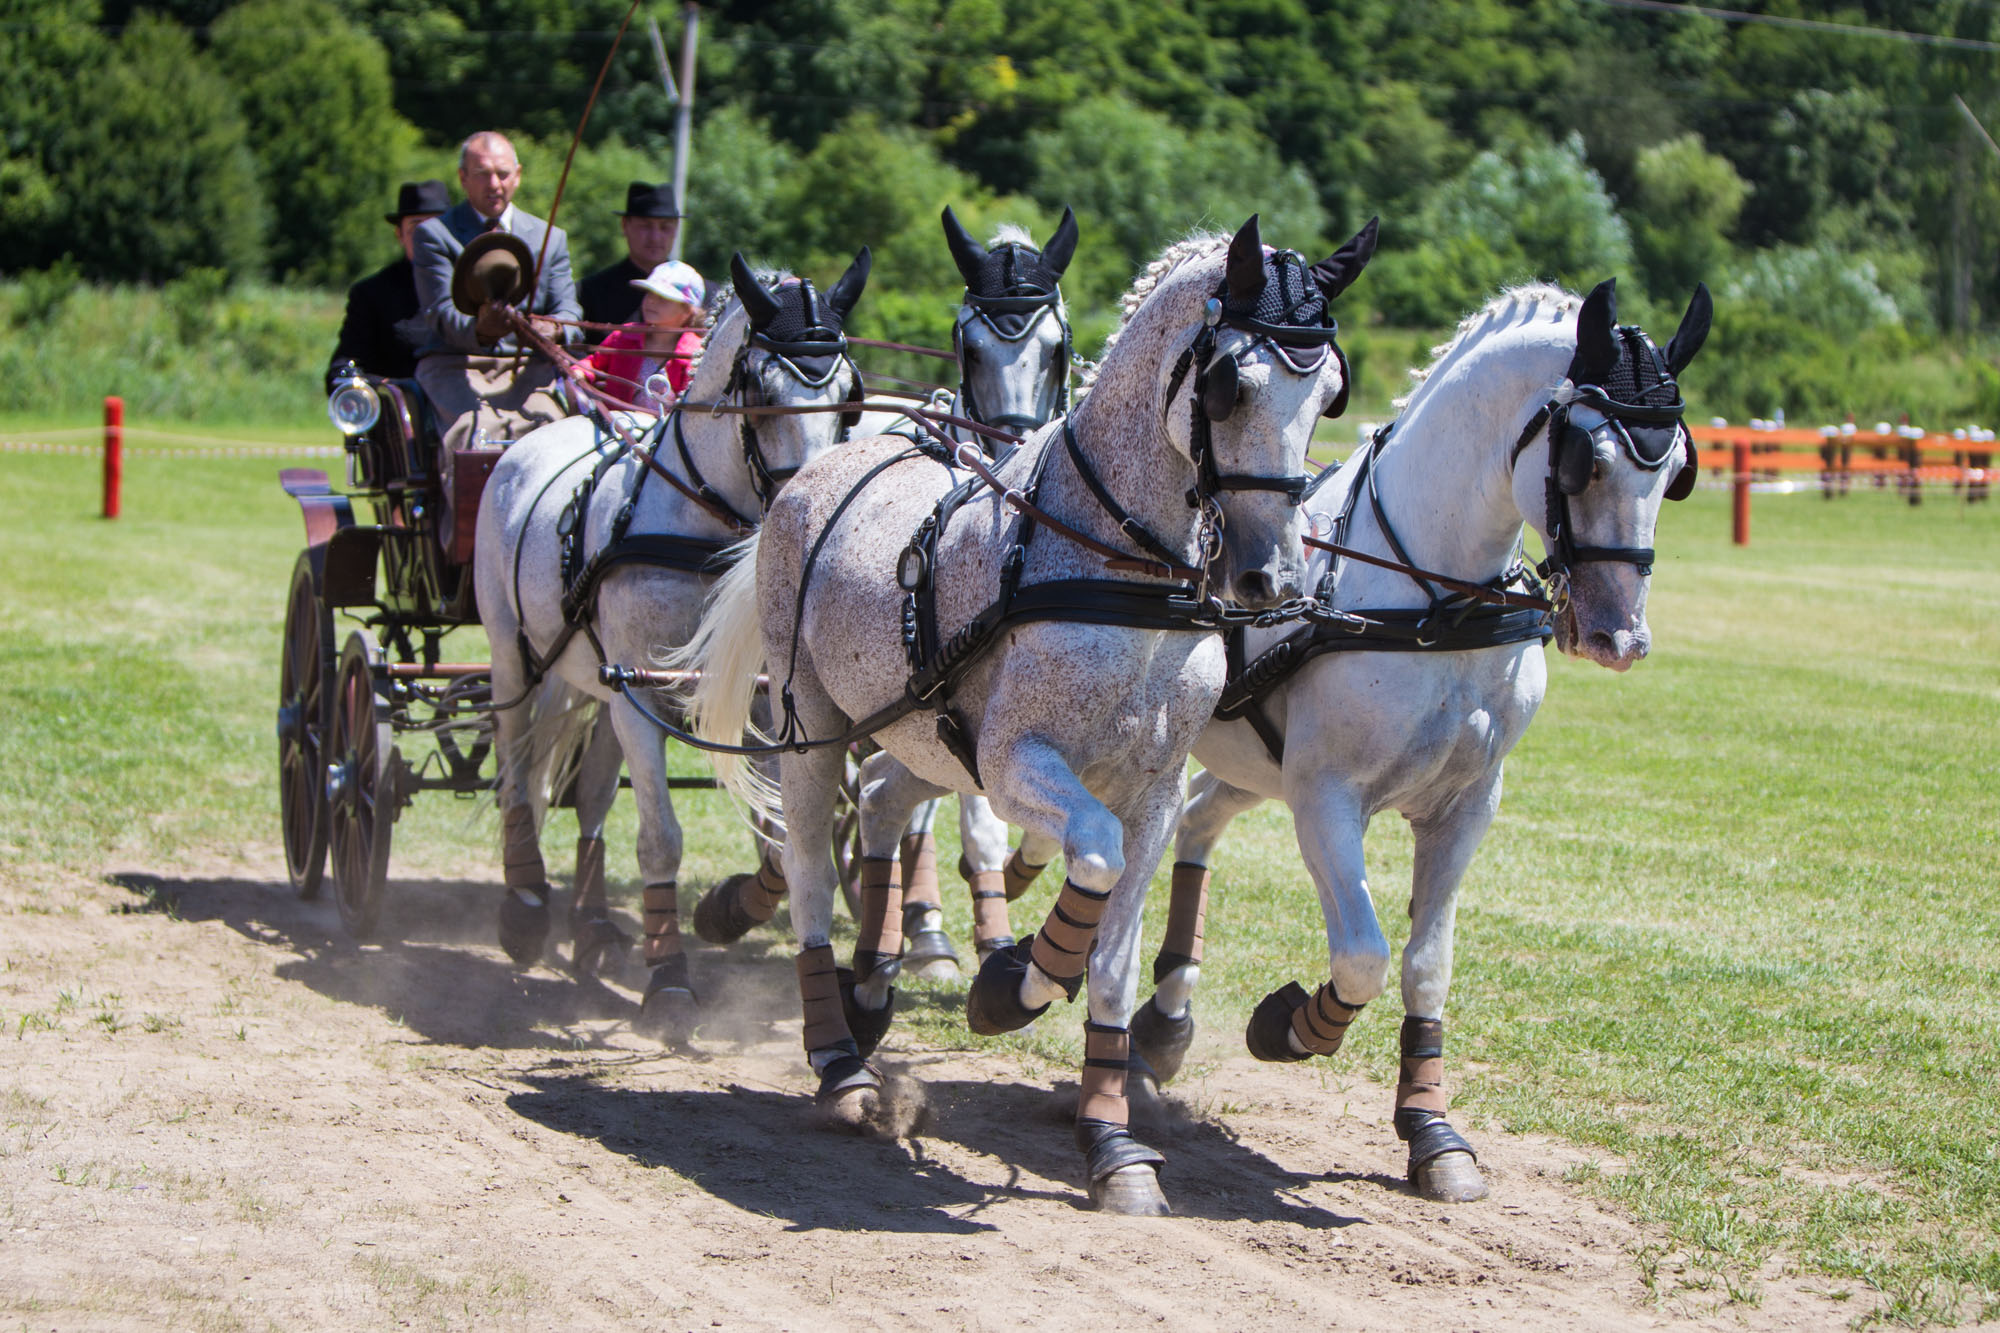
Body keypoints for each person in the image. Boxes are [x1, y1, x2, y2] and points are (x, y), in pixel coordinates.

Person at [410, 131, 582, 451]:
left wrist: (554, 329)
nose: (494, 184)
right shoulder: (434, 236)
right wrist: (481, 329)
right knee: (475, 441)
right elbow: (441, 314)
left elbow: (569, 309)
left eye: (502, 174)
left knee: (554, 443)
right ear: (463, 178)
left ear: (517, 176)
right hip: (456, 366)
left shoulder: (550, 238)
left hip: (529, 369)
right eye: (482, 174)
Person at [323, 179, 447, 390]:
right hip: (405, 412)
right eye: (417, 227)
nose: (428, 238)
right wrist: (387, 389)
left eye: (435, 226)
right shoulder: (373, 294)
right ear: (400, 234)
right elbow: (343, 368)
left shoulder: (474, 285)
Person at [571, 260, 706, 411]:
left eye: (664, 298)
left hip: (665, 433)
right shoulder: (624, 336)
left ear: (688, 311)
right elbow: (595, 363)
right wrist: (579, 372)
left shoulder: (696, 354)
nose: (652, 301)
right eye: (650, 293)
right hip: (617, 426)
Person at [577, 182, 683, 329]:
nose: (655, 237)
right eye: (645, 226)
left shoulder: (699, 296)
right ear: (624, 225)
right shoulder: (590, 293)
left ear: (677, 228)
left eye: (665, 227)